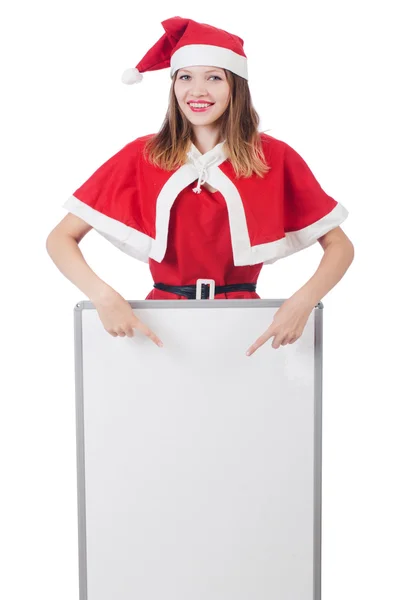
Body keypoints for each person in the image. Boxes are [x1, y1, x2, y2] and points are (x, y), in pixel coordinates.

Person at [46, 16, 354, 356]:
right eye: (186, 77)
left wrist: (303, 303)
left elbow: (339, 245)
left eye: (214, 77)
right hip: (159, 325)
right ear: (173, 85)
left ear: (236, 86)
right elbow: (61, 238)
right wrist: (104, 297)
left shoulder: (274, 157)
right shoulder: (142, 154)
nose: (197, 91)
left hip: (246, 324)